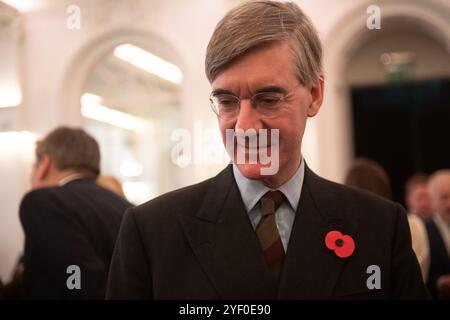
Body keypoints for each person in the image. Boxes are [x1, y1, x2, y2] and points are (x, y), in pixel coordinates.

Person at [106, 0, 428, 299]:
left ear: (314, 94)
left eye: (269, 99)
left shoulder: (379, 228)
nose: (245, 127)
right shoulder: (152, 234)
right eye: (227, 102)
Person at [20, 126, 132, 299]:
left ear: (45, 164)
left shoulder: (44, 202)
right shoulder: (124, 206)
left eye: (34, 166)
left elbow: (79, 285)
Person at [425, 170, 450, 299]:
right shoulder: (424, 231)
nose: (449, 203)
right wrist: (439, 283)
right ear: (432, 201)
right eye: (444, 197)